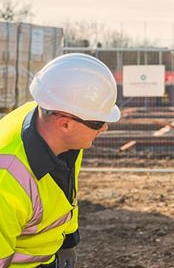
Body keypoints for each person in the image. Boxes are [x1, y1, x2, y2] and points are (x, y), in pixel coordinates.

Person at [0, 53, 120, 268]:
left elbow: (66, 194)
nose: (104, 128)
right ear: (65, 123)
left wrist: (68, 241)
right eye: (98, 122)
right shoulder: (6, 182)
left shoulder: (58, 131)